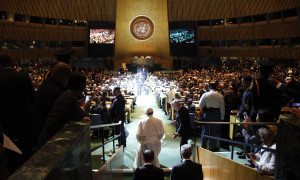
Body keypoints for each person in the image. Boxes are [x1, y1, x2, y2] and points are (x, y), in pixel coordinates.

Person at [0, 55, 35, 174]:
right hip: (25, 122)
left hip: (6, 124)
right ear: (12, 63)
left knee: (11, 157)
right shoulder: (23, 77)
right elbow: (33, 99)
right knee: (27, 154)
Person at [37, 71, 90, 147]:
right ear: (81, 85)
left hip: (50, 138)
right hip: (49, 142)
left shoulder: (68, 95)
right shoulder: (70, 98)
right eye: (84, 83)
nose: (85, 85)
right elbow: (80, 115)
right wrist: (85, 107)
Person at [35, 62, 70, 145]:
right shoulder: (58, 91)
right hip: (50, 135)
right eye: (67, 77)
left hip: (38, 129)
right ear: (62, 76)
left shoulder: (42, 85)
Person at [199, 82, 225, 151]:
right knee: (214, 131)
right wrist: (222, 116)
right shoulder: (219, 95)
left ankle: (203, 145)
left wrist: (205, 107)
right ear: (216, 87)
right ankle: (212, 147)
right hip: (216, 114)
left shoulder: (205, 94)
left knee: (205, 129)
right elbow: (222, 107)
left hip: (207, 113)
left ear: (209, 88)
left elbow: (200, 105)